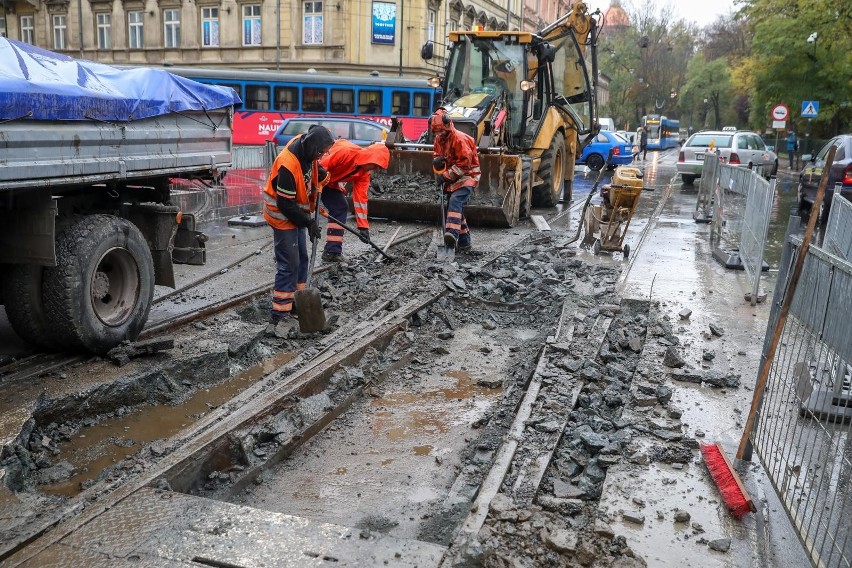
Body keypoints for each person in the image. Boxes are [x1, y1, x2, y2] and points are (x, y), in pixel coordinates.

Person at [262, 124, 334, 337]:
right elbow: (285, 204)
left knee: (302, 258)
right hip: (282, 216)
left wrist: (318, 173)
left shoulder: (305, 148)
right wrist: (308, 222)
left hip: (297, 215)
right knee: (289, 264)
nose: (322, 155)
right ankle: (279, 313)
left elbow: (309, 174)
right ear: (311, 146)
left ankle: (297, 301)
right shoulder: (287, 165)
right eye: (321, 152)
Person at [318, 140, 390, 262]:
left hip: (329, 182)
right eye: (375, 165)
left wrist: (363, 227)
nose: (375, 169)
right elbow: (318, 167)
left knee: (340, 207)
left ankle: (332, 252)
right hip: (315, 176)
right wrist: (310, 194)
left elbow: (361, 199)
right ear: (370, 158)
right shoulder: (345, 152)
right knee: (302, 211)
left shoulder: (364, 173)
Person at [431, 109, 480, 252]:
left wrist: (445, 176)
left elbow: (464, 165)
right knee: (455, 210)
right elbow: (437, 154)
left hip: (468, 176)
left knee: (455, 202)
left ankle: (452, 235)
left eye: (440, 131)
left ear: (447, 125)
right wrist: (437, 161)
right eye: (436, 132)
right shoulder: (439, 139)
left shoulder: (460, 139)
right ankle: (465, 242)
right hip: (453, 178)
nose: (438, 135)